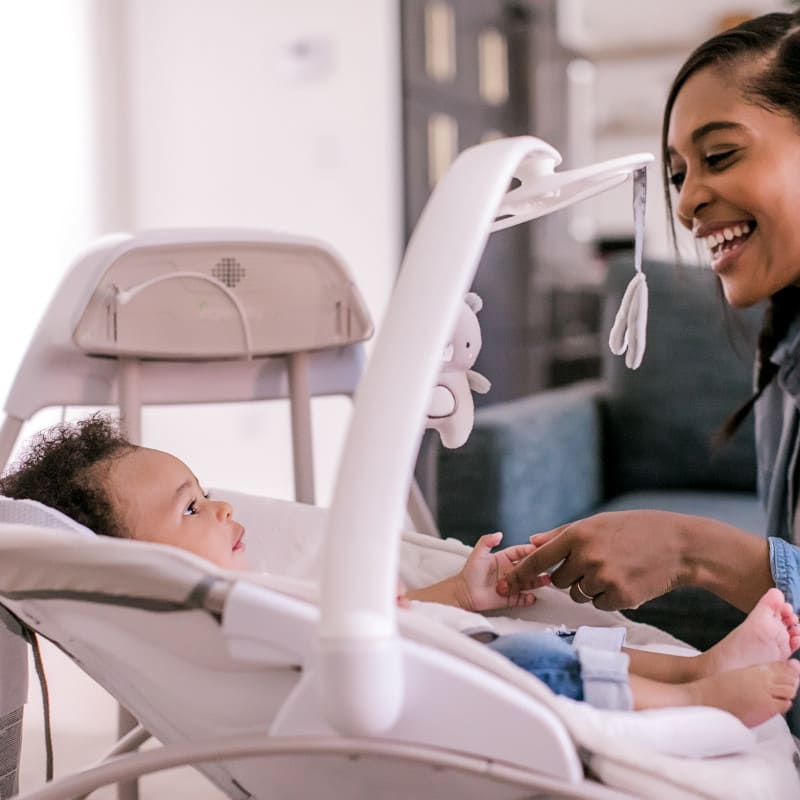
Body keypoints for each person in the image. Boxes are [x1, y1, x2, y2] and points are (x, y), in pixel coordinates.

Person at [2, 414, 800, 728]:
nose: (219, 510)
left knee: (553, 640)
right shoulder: (213, 613)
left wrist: (464, 591)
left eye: (205, 493)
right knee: (538, 661)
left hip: (436, 649)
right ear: (128, 567)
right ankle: (703, 697)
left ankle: (699, 668)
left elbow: (386, 612)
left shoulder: (251, 587)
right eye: (187, 511)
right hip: (447, 690)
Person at [502, 11, 800, 626]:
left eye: (720, 155)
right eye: (677, 175)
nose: (687, 202)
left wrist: (692, 552)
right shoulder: (783, 352)